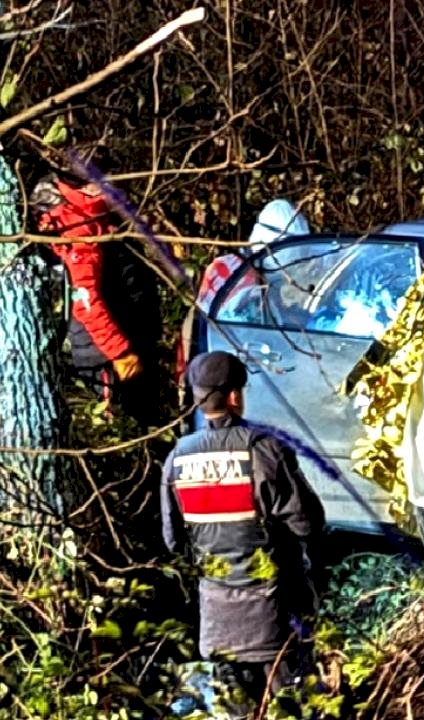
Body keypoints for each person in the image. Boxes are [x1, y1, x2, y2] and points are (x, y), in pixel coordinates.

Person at [161, 351, 325, 710]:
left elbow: (173, 541)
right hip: (274, 622)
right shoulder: (264, 449)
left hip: (218, 626)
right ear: (235, 396)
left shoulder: (178, 458)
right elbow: (308, 523)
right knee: (292, 709)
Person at [30, 171, 164, 426]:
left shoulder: (96, 217)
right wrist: (120, 353)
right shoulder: (78, 231)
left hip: (126, 342)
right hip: (107, 358)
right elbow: (85, 301)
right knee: (126, 426)